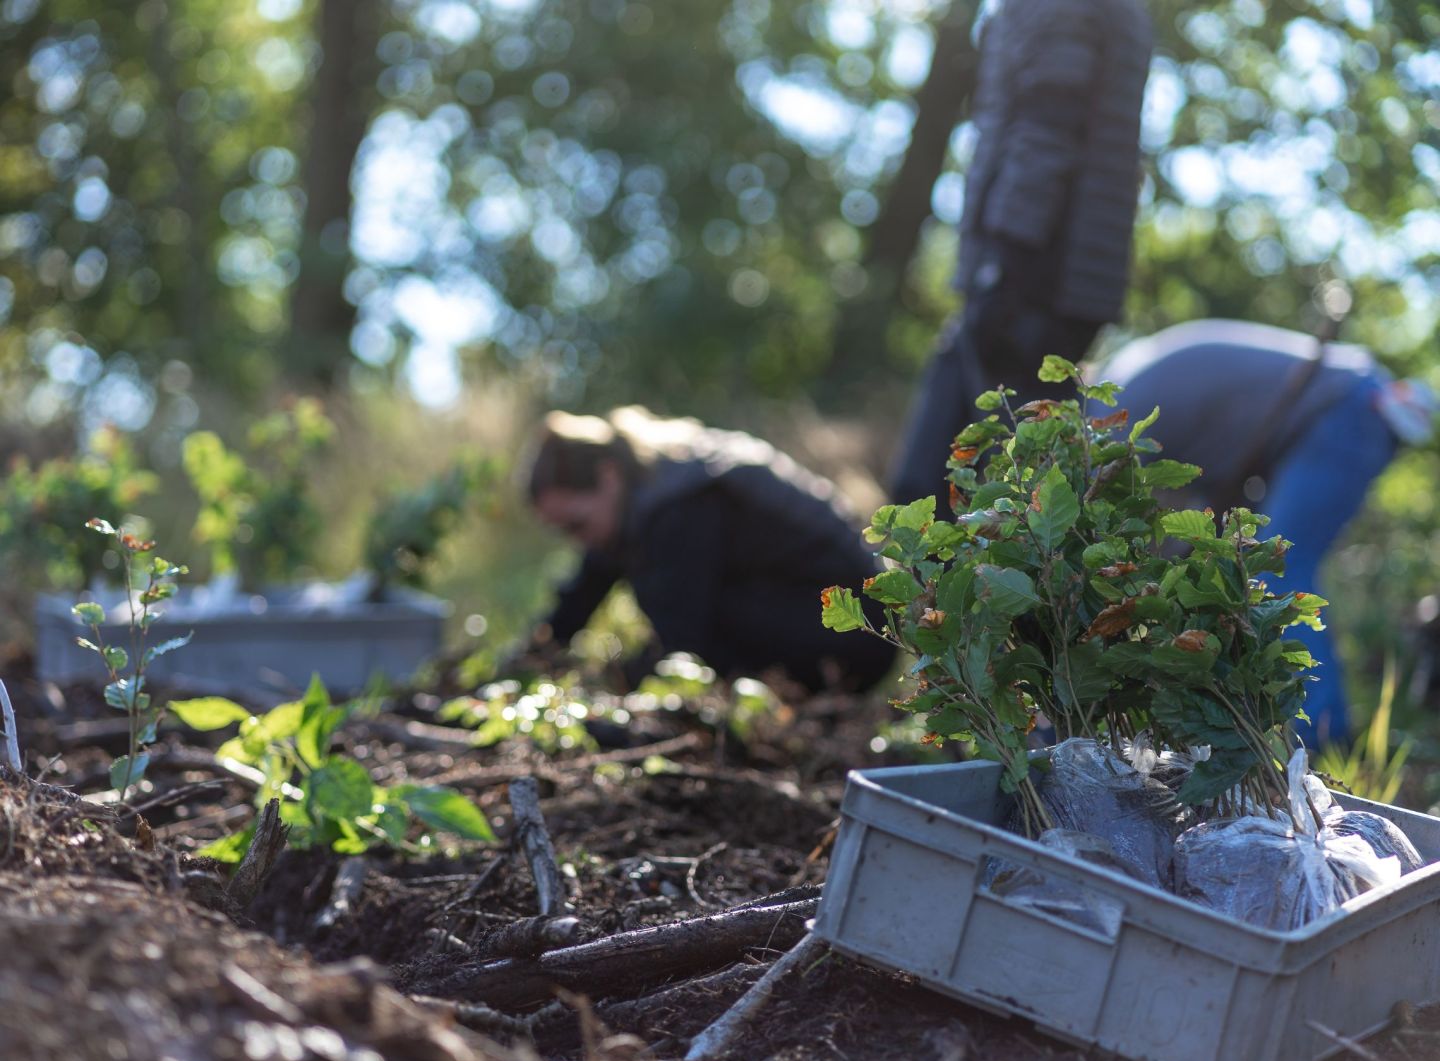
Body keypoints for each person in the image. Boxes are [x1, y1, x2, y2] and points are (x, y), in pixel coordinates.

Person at [1100, 319, 1439, 747]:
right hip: (1342, 405)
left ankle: (1324, 738)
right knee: (1233, 568)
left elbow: (1109, 531)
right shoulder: (1136, 374)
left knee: (1277, 566)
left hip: (1346, 411)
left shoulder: (1108, 415)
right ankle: (1247, 721)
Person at [890, 0, 1154, 511]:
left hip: (1030, 278)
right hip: (1062, 279)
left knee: (944, 493)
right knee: (1019, 491)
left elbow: (1049, 126)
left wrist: (1002, 265)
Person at [518, 407, 896, 694]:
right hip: (819, 624)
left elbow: (683, 642)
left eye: (577, 525)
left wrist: (611, 685)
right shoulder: (638, 499)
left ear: (608, 475)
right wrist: (517, 669)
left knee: (692, 633)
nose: (579, 541)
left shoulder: (678, 505)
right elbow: (574, 606)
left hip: (857, 634)